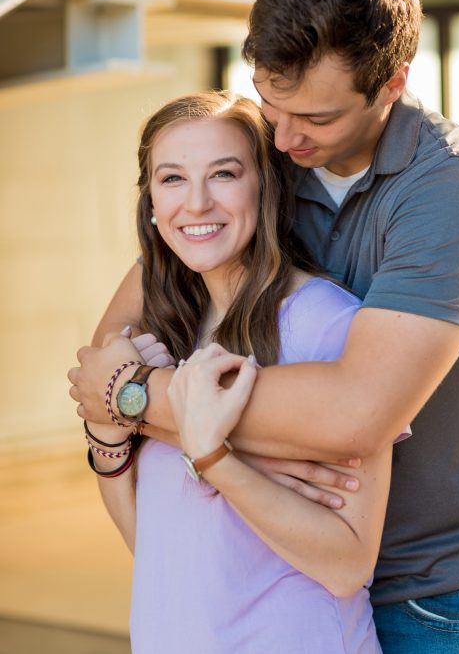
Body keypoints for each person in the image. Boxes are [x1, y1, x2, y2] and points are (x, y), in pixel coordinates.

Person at [68, 0, 459, 653]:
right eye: (270, 102)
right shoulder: (271, 152)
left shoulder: (456, 188)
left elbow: (354, 412)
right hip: (278, 566)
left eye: (316, 117)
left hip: (442, 589)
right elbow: (124, 327)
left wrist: (133, 401)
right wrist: (121, 397)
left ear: (392, 83)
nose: (284, 135)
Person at [84, 91, 390, 652]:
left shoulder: (326, 324)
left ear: (264, 188)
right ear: (150, 201)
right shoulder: (162, 334)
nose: (196, 203)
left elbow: (347, 565)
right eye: (172, 179)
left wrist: (214, 457)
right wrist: (107, 434)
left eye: (223, 173)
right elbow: (156, 548)